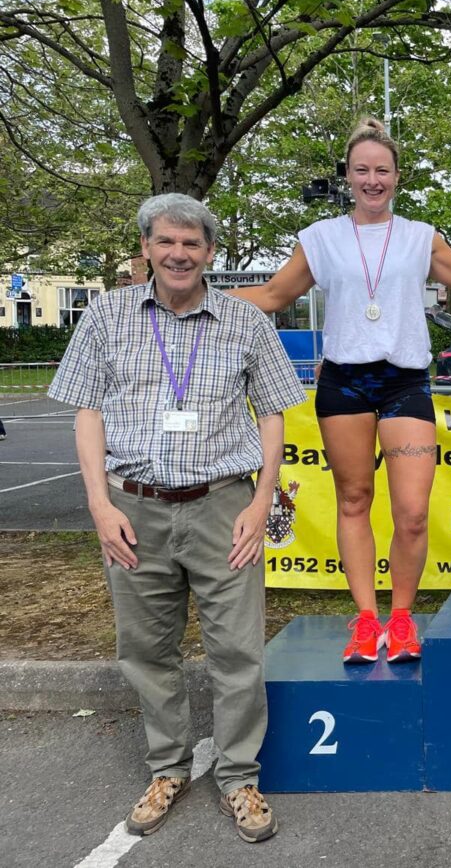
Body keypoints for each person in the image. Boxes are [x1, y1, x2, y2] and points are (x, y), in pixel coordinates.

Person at [48, 194, 306, 843]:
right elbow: (87, 412)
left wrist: (260, 500)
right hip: (133, 508)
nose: (179, 253)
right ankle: (167, 768)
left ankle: (239, 778)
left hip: (224, 506)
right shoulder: (106, 316)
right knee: (147, 650)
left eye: (192, 244)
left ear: (210, 253)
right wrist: (100, 505)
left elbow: (274, 411)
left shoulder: (246, 324)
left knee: (237, 651)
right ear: (147, 248)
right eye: (167, 242)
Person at [233, 117, 451, 662]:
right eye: (362, 170)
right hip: (344, 383)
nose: (373, 180)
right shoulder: (321, 238)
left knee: (413, 511)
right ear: (347, 175)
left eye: (383, 170)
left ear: (398, 176)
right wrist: (195, 297)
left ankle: (401, 619)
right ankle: (366, 619)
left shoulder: (421, 237)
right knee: (354, 500)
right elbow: (275, 294)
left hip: (403, 383)